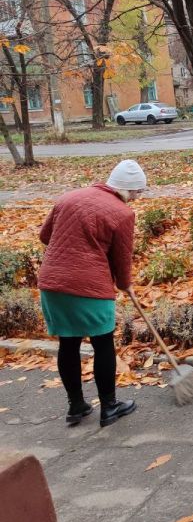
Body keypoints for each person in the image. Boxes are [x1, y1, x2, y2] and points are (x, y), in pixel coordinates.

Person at [38, 159, 146, 427]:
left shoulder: (68, 198)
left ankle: (76, 406)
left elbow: (45, 236)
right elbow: (122, 258)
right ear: (129, 189)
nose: (136, 198)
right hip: (89, 287)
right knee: (102, 343)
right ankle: (109, 407)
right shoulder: (122, 213)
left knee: (68, 342)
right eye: (137, 192)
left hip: (52, 283)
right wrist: (124, 283)